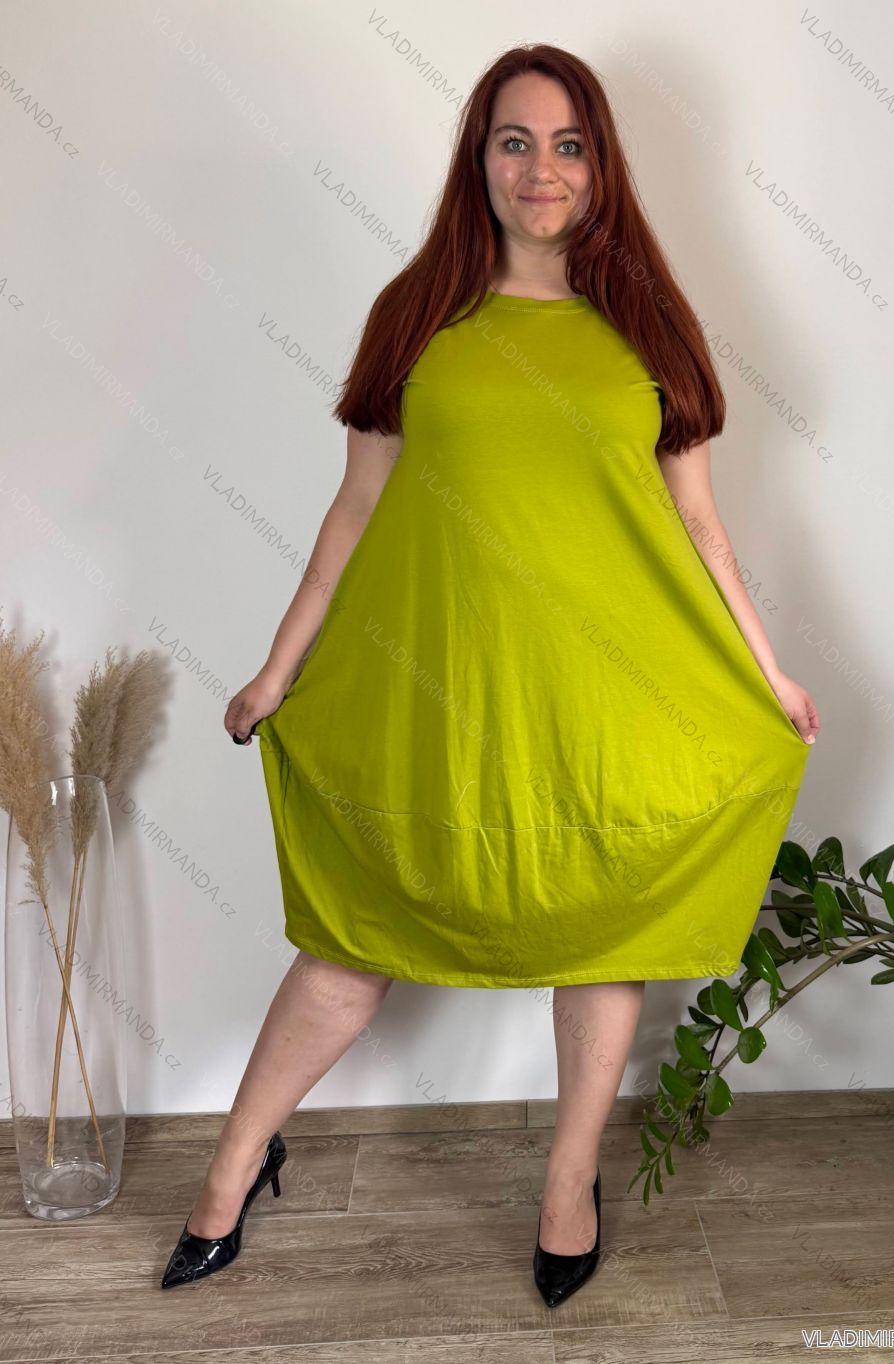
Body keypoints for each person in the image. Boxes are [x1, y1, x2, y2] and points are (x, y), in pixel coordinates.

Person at [161, 42, 819, 1309]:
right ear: (479, 157)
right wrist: (277, 668)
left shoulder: (649, 327)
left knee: (604, 930)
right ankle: (233, 1166)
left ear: (601, 164)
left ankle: (568, 1184)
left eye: (568, 145)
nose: (542, 169)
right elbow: (354, 511)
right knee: (353, 936)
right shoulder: (418, 317)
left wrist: (770, 671)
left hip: (605, 698)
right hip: (439, 695)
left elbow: (700, 526)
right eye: (516, 141)